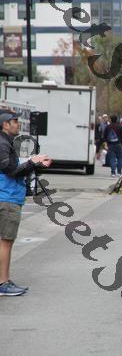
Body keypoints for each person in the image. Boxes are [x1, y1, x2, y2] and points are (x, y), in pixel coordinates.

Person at [0, 110, 52, 296]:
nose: (18, 124)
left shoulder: (6, 142)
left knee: (5, 241)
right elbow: (11, 170)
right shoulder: (3, 143)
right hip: (8, 197)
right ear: (5, 124)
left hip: (8, 196)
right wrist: (33, 161)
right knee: (6, 241)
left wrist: (34, 163)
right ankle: (3, 283)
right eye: (14, 121)